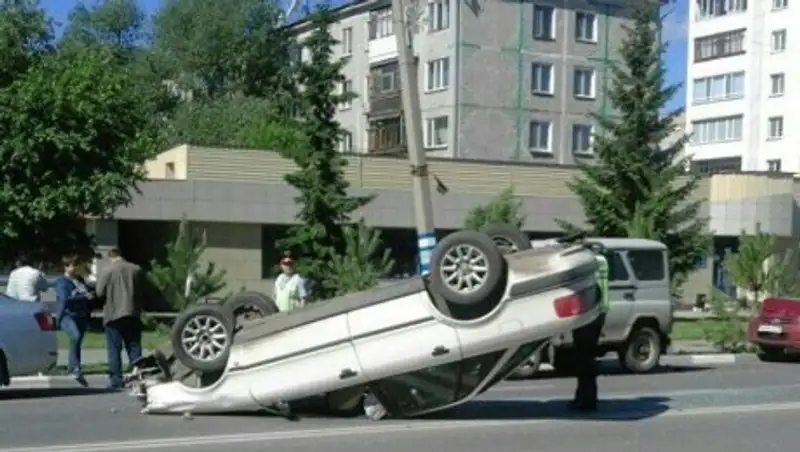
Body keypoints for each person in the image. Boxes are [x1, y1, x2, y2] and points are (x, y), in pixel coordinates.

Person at [96, 247, 144, 390]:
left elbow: (99, 292)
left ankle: (116, 379)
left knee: (114, 349)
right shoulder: (136, 269)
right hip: (133, 312)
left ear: (110, 257)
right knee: (134, 346)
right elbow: (144, 290)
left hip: (113, 313)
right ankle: (138, 376)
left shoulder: (107, 270)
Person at [570, 244, 610, 412]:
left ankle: (587, 399)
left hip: (589, 314)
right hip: (600, 312)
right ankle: (583, 396)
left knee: (584, 358)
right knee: (587, 357)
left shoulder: (589, 263)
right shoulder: (602, 261)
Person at [55, 255, 93, 387]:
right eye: (73, 265)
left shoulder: (79, 280)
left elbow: (85, 291)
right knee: (75, 336)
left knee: (77, 341)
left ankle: (75, 368)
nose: (76, 268)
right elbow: (65, 299)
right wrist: (83, 297)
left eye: (77, 265)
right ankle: (74, 368)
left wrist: (89, 295)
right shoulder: (62, 282)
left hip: (81, 315)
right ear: (66, 267)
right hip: (68, 315)